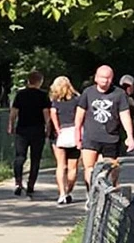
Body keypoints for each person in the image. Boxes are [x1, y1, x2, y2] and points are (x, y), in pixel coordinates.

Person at [78, 62, 134, 188]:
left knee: (112, 167)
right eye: (102, 77)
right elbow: (79, 114)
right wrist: (77, 135)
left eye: (108, 78)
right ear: (96, 78)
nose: (105, 80)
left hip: (111, 137)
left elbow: (125, 115)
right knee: (89, 167)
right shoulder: (88, 93)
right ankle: (93, 192)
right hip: (90, 136)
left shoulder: (119, 94)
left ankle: (112, 188)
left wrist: (130, 136)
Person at [9, 69, 51, 197]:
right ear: (40, 82)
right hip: (37, 130)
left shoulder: (20, 95)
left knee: (20, 156)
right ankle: (31, 184)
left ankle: (18, 182)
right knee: (35, 158)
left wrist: (11, 125)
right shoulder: (43, 95)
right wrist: (48, 128)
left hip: (22, 129)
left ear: (28, 81)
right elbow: (46, 115)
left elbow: (14, 112)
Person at [49, 76, 82, 202]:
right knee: (73, 167)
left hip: (60, 135)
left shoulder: (55, 101)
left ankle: (62, 193)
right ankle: (68, 190)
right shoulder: (77, 100)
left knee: (61, 165)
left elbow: (53, 115)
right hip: (74, 133)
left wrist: (57, 130)